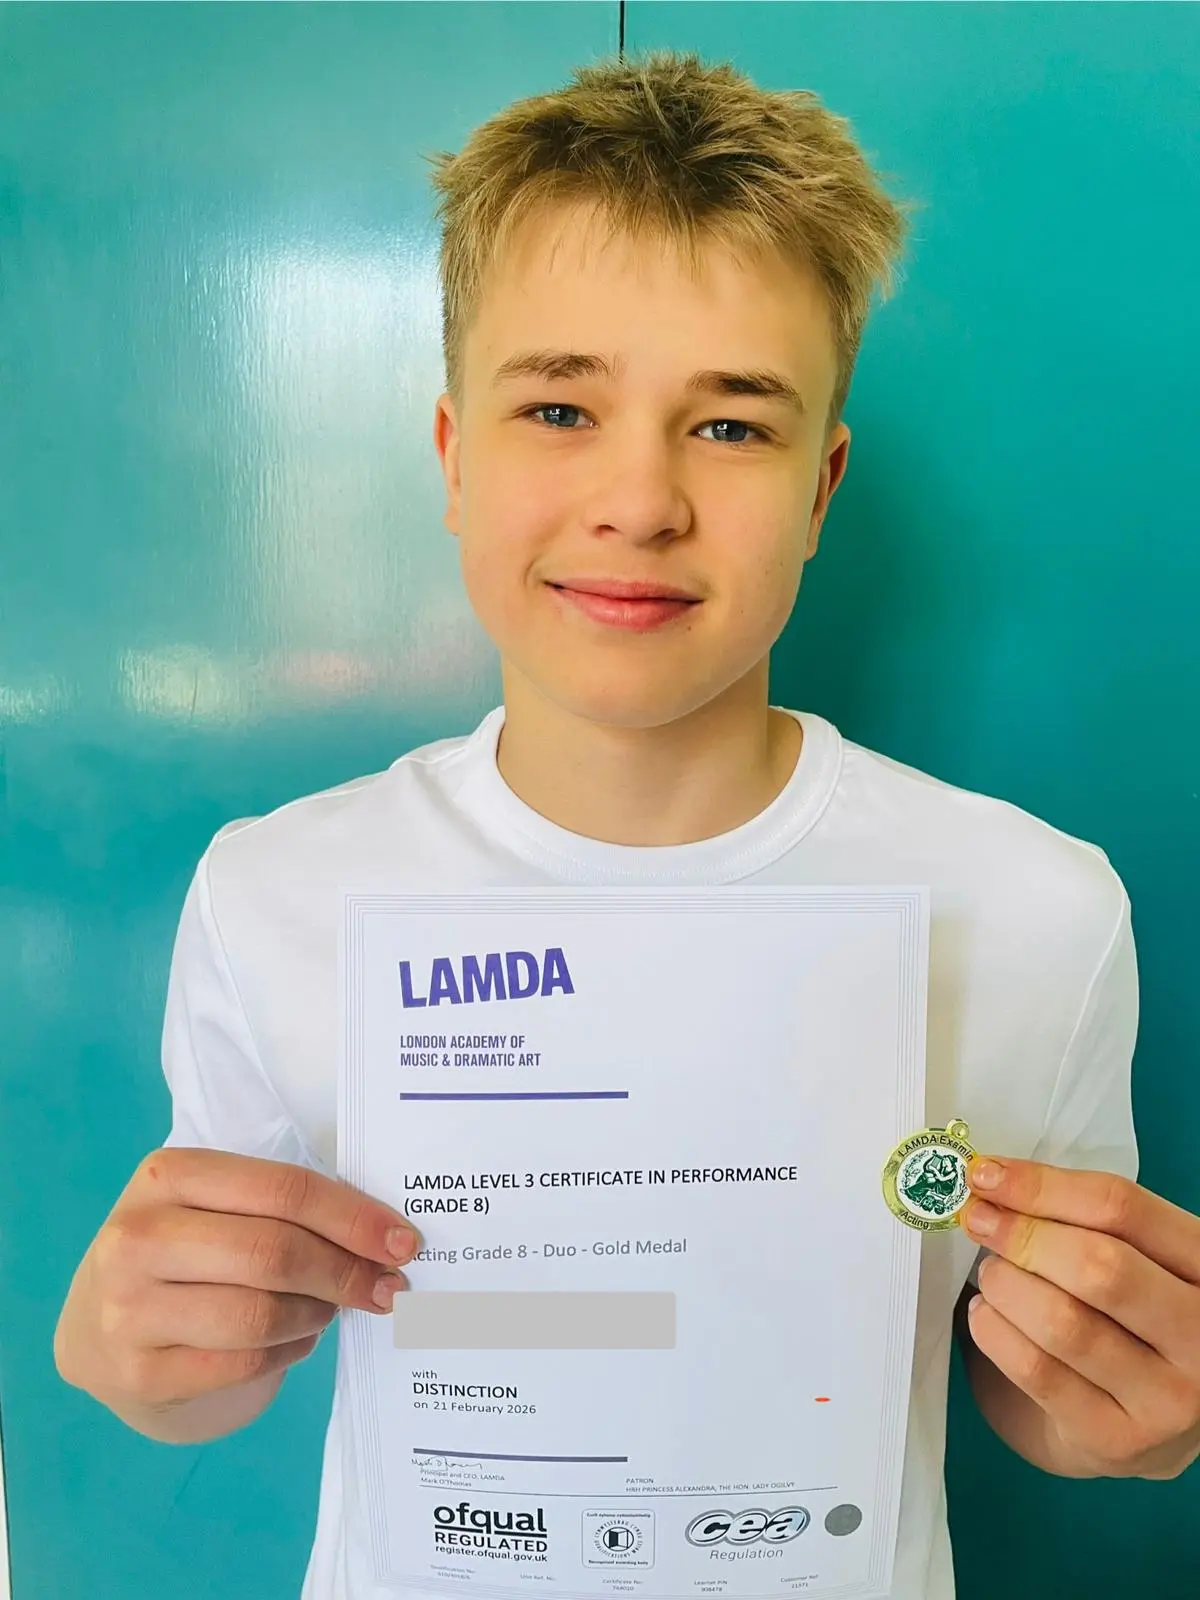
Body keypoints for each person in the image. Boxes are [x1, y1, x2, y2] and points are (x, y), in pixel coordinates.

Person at [53, 46, 1200, 1600]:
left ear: (821, 488)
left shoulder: (1037, 910)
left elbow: (1037, 1393)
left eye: (730, 426)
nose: (640, 500)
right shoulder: (276, 895)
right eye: (558, 407)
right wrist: (140, 1361)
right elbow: (217, 1364)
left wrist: (1137, 1411)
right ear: (455, 458)